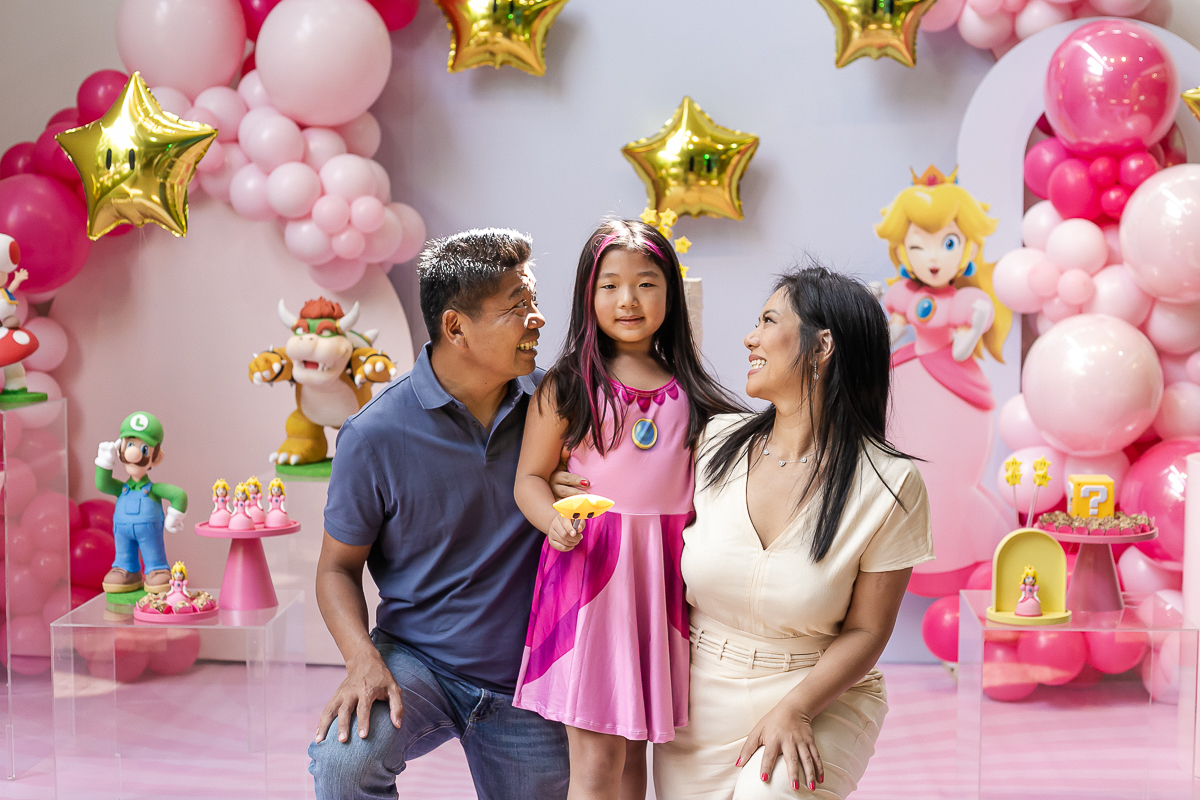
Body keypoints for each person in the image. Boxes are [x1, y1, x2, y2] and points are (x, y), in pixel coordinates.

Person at [554, 264, 933, 799]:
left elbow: (869, 631)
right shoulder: (712, 441)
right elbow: (630, 483)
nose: (750, 337)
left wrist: (796, 707)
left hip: (817, 691)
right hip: (702, 696)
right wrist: (555, 478)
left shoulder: (890, 482)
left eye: (768, 320)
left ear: (822, 346)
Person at [308, 228, 570, 800]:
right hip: (416, 662)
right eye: (517, 307)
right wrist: (362, 660)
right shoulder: (373, 435)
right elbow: (335, 570)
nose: (539, 319)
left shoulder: (555, 407)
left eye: (533, 302)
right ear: (456, 327)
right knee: (343, 766)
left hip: (529, 679)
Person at [513, 220, 742, 800]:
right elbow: (530, 481)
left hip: (660, 587)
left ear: (671, 294)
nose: (629, 300)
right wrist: (554, 520)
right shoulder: (567, 387)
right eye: (610, 285)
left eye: (646, 283)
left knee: (637, 753)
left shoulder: (696, 397)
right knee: (595, 759)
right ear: (587, 296)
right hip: (590, 577)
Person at [874, 166, 1010, 596]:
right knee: (906, 467)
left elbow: (961, 350)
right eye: (919, 246)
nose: (933, 258)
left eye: (947, 244)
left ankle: (958, 549)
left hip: (953, 385)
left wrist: (974, 327)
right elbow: (891, 334)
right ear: (903, 251)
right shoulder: (903, 297)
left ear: (967, 248)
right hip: (907, 377)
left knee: (951, 476)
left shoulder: (968, 300)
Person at [94, 411, 188, 594]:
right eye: (129, 444)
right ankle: (125, 569)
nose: (133, 452)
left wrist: (173, 517)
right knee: (123, 553)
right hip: (122, 532)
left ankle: (156, 569)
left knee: (153, 552)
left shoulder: (153, 490)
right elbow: (102, 484)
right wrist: (105, 461)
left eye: (143, 448)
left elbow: (179, 495)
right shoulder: (121, 488)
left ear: (156, 457)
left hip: (150, 532)